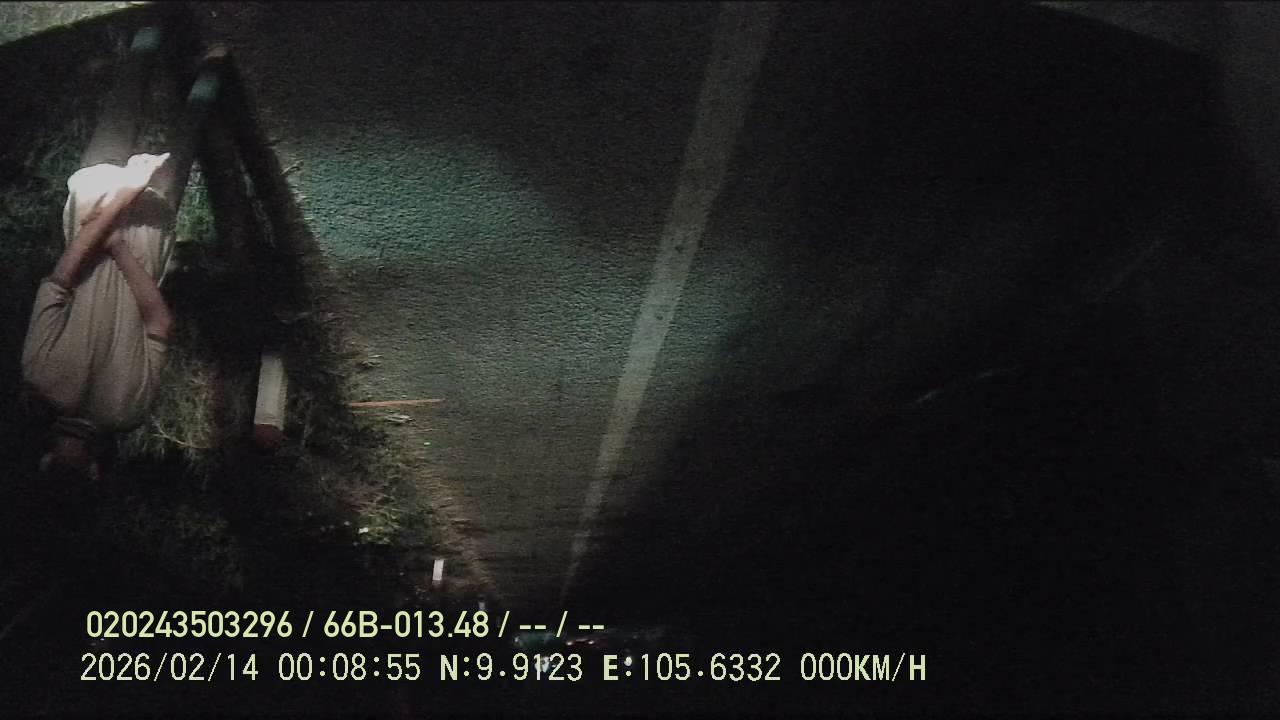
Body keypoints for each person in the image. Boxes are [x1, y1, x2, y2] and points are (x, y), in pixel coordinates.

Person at [20, 26, 225, 481]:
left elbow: (156, 323)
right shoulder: (45, 379)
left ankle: (210, 61)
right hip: (100, 221)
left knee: (171, 137)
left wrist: (119, 241)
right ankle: (161, 34)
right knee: (126, 114)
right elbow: (64, 278)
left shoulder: (121, 410)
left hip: (135, 238)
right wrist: (116, 218)